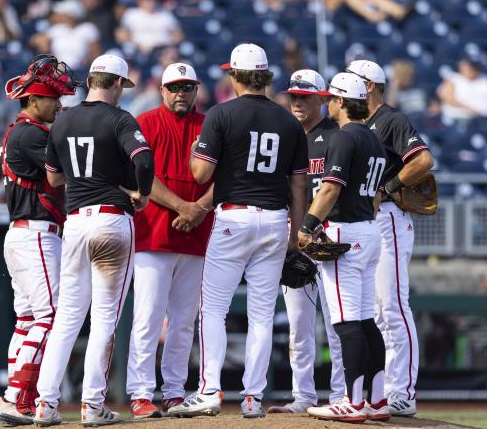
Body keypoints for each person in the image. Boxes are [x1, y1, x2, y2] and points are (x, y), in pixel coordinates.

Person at [167, 43, 309, 419]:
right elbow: (299, 186)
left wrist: (200, 147)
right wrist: (296, 234)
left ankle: (210, 390)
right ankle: (252, 398)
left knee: (213, 309)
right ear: (265, 77)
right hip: (276, 219)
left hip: (234, 217)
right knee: (262, 313)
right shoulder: (288, 121)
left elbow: (200, 174)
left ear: (234, 76)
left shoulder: (221, 113)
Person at [34, 54, 154, 426]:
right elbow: (144, 160)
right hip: (111, 221)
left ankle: (45, 404)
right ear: (116, 83)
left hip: (75, 223)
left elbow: (53, 179)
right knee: (104, 319)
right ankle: (92, 405)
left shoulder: (63, 119)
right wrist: (143, 194)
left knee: (67, 318)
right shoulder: (119, 118)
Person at [126, 63, 214, 418]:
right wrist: (186, 207)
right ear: (162, 90)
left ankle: (175, 391)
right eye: (174, 87)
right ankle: (140, 392)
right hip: (154, 234)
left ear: (196, 89)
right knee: (147, 317)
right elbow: (141, 176)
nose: (181, 93)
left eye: (187, 87)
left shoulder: (210, 124)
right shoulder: (145, 122)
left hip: (196, 236)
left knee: (183, 320)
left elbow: (224, 175)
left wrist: (199, 210)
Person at [0, 54, 79, 426]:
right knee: (51, 317)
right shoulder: (30, 132)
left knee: (28, 320)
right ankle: (17, 396)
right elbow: (68, 169)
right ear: (32, 99)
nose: (59, 105)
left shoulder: (25, 130)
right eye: (53, 99)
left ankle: (14, 397)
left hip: (24, 234)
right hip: (35, 235)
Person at [300, 72, 388, 423]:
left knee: (346, 324)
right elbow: (378, 195)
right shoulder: (375, 140)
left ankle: (352, 403)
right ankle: (377, 401)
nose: (329, 103)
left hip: (344, 232)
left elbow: (330, 189)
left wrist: (307, 226)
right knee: (367, 321)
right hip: (369, 229)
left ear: (338, 101)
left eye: (330, 98)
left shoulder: (343, 137)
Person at [350, 59, 434, 416]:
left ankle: (404, 392)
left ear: (368, 85)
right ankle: (380, 391)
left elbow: (424, 160)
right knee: (373, 311)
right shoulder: (358, 124)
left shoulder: (391, 119)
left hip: (390, 219)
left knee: (393, 307)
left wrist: (389, 186)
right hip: (366, 222)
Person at [267, 69, 346, 414]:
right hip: (295, 239)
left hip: (328, 236)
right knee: (298, 325)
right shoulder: (284, 135)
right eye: (293, 96)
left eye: (305, 96)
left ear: (322, 98)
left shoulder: (336, 135)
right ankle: (304, 397)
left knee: (336, 323)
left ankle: (342, 395)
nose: (297, 101)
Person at [30, 0, 101, 69]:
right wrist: (43, 44)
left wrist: (82, 64)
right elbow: (35, 41)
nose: (59, 15)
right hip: (58, 72)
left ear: (71, 15)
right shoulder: (57, 29)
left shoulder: (88, 28)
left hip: (81, 71)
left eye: (63, 13)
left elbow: (95, 54)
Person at [116, 0, 184, 55]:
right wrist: (139, 46)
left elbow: (178, 35)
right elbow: (121, 35)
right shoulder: (131, 14)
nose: (148, 1)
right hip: (138, 51)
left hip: (162, 51)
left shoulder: (166, 14)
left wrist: (165, 46)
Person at [437, 57, 487, 122]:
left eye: (473, 67)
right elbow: (448, 98)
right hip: (461, 119)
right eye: (468, 67)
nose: (471, 70)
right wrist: (471, 110)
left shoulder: (486, 79)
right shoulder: (454, 79)